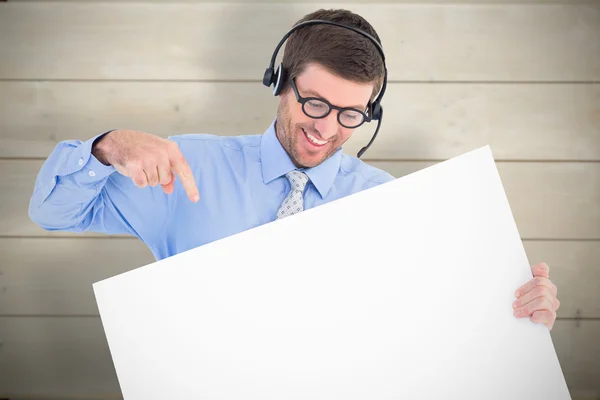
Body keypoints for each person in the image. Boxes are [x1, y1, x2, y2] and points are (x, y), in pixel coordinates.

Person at [28, 8, 559, 330]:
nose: (328, 129)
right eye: (315, 103)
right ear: (280, 81)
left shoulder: (392, 204)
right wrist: (106, 148)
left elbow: (447, 313)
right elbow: (52, 213)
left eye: (351, 113)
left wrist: (521, 307)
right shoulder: (186, 167)